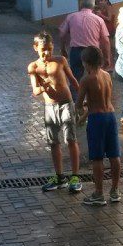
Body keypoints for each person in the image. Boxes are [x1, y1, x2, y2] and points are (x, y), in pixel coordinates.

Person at [28, 31, 83, 193]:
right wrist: (44, 86)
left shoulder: (60, 60)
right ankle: (59, 177)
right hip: (49, 107)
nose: (47, 52)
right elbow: (35, 91)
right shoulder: (34, 67)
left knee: (71, 140)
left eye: (50, 49)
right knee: (53, 143)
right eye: (44, 49)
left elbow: (73, 80)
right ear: (35, 48)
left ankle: (75, 177)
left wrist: (82, 100)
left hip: (66, 104)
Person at [77, 46, 121, 207]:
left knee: (97, 157)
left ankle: (98, 193)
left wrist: (80, 116)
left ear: (86, 63)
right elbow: (103, 99)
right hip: (110, 116)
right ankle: (115, 191)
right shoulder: (107, 75)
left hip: (97, 120)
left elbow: (79, 104)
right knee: (114, 155)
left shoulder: (86, 79)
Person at [59, 0, 111, 99]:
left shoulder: (71, 17)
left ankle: (76, 106)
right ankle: (93, 102)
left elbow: (62, 34)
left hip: (76, 52)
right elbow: (105, 40)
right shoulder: (98, 20)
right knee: (94, 78)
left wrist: (63, 48)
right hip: (93, 53)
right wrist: (107, 57)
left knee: (75, 79)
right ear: (93, 6)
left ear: (80, 5)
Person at [95, 0, 116, 64]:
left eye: (101, 1)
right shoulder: (102, 9)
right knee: (105, 48)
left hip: (110, 30)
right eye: (99, 1)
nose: (100, 2)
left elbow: (109, 19)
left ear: (106, 1)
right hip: (104, 30)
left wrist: (100, 15)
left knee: (110, 48)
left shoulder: (109, 7)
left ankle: (111, 65)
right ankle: (107, 63)